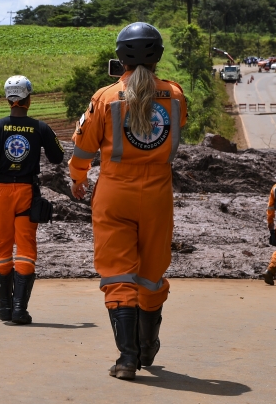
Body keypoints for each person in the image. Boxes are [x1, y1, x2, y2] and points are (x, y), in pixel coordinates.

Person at [69, 22, 188, 380]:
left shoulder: (105, 97)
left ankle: (127, 358)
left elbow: (83, 146)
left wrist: (78, 178)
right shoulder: (176, 95)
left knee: (118, 272)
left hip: (114, 193)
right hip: (157, 195)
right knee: (151, 275)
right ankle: (149, 344)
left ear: (121, 57)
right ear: (159, 56)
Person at [0, 75, 64, 324]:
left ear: (8, 99)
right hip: (27, 192)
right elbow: (58, 157)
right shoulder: (40, 127)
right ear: (29, 98)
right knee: (25, 248)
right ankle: (19, 309)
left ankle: (4, 307)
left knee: (1, 245)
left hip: (1, 192)